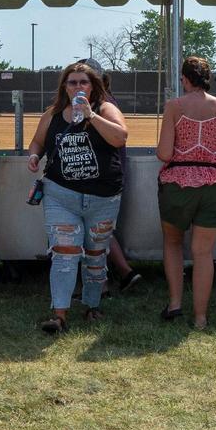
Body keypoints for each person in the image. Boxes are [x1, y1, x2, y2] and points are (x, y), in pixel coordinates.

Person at [26, 62, 128, 334]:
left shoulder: (106, 110)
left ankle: (92, 306)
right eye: (72, 82)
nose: (78, 87)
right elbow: (37, 141)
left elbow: (120, 138)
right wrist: (34, 155)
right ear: (64, 87)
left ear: (94, 86)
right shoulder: (54, 114)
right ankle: (59, 315)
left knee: (96, 255)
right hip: (62, 195)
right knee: (64, 253)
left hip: (102, 198)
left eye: (84, 82)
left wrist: (91, 115)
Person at [157, 56, 216, 329]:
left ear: (184, 79)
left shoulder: (174, 107)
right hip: (213, 183)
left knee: (172, 244)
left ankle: (175, 303)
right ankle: (201, 317)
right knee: (203, 252)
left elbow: (164, 153)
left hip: (178, 183)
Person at [80, 58, 141, 293]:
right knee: (101, 228)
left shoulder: (102, 105)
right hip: (107, 174)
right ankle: (124, 273)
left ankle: (105, 282)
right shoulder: (101, 102)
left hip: (104, 175)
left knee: (96, 230)